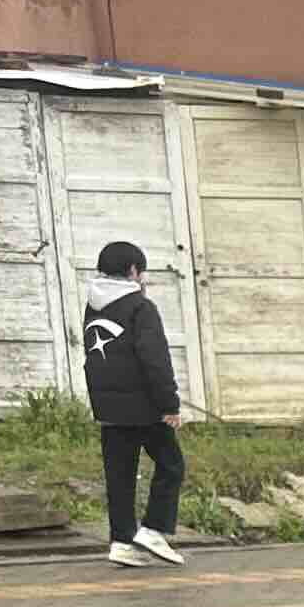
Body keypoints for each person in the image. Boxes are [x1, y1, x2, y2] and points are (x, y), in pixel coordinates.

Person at [81, 240, 190, 567]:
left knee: (120, 476)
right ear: (133, 271)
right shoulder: (141, 307)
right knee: (171, 465)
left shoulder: (93, 307)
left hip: (108, 408)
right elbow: (155, 359)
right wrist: (169, 405)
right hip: (142, 407)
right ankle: (154, 529)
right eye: (141, 271)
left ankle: (122, 541)